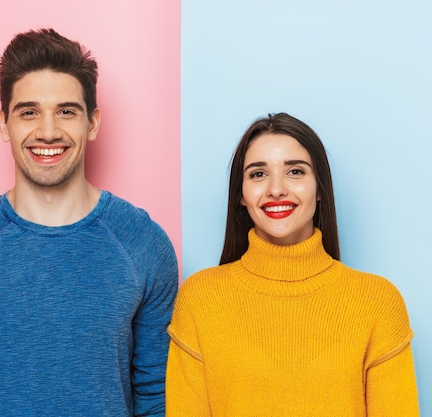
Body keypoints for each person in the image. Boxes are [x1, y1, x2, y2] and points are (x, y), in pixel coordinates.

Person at [0, 28, 178, 416]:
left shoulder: (143, 245)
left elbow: (158, 397)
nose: (48, 131)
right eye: (29, 112)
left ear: (93, 123)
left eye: (66, 111)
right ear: (4, 124)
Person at [166, 113, 419, 416]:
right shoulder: (200, 299)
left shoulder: (378, 302)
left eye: (295, 172)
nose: (276, 189)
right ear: (241, 196)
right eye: (258, 174)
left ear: (320, 188)